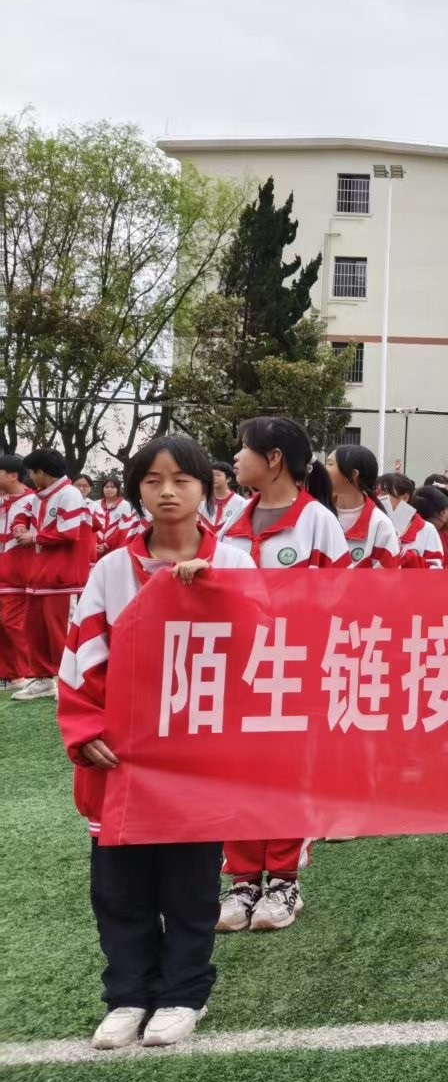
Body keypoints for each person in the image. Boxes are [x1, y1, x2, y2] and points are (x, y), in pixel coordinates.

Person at [58, 435, 253, 1050]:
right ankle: (127, 994)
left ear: (205, 488)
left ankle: (182, 993)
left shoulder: (236, 565)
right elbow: (81, 661)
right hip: (123, 759)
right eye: (152, 480)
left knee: (189, 887)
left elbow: (267, 650)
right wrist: (85, 730)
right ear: (137, 489)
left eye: (181, 480)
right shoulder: (111, 570)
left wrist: (214, 592)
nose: (167, 492)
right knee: (119, 888)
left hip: (200, 759)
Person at [217, 416, 350, 935]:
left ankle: (283, 882)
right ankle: (243, 879)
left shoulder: (317, 521)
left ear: (273, 458)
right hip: (235, 669)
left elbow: (343, 602)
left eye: (243, 448)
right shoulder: (231, 520)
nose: (235, 458)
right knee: (236, 771)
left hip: (293, 669)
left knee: (285, 773)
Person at [12, 450, 97, 701]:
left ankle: (70, 682)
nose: (30, 477)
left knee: (62, 632)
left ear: (42, 472)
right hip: (39, 576)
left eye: (31, 472)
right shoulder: (40, 496)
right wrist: (20, 525)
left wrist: (33, 537)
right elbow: (22, 512)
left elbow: (69, 533)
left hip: (63, 578)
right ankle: (43, 679)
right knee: (35, 630)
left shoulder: (69, 494)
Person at [327, 445, 401, 569]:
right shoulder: (318, 515)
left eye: (330, 464)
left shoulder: (380, 524)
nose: (324, 469)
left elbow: (388, 576)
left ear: (353, 474)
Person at [0, 454, 34, 696]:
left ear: (13, 475)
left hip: (20, 574)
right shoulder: (3, 501)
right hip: (3, 573)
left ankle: (24, 674)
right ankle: (10, 674)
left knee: (14, 623)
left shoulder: (33, 502)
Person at [380, 473, 445, 569]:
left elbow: (436, 569)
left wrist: (404, 555)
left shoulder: (427, 529)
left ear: (404, 497)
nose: (379, 497)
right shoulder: (376, 525)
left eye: (385, 493)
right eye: (377, 493)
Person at [206, 462, 245, 537]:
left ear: (228, 479)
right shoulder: (202, 501)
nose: (213, 478)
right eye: (211, 475)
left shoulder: (241, 503)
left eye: (218, 475)